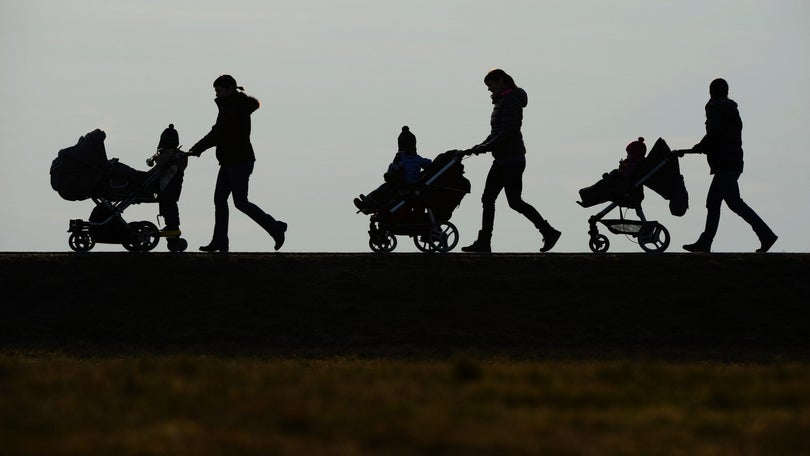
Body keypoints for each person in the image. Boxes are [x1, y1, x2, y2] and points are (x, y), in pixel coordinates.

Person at [461, 68, 560, 253]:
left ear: (501, 81)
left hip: (512, 160)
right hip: (502, 160)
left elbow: (507, 132)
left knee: (514, 201)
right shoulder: (502, 102)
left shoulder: (511, 101)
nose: (489, 90)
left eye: (490, 85)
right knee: (488, 198)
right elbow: (496, 133)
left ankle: (548, 231)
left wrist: (485, 147)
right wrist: (479, 146)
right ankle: (484, 242)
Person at [677, 78, 777, 253]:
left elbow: (715, 133)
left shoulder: (715, 108)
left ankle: (764, 235)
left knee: (725, 203)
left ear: (711, 91)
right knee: (723, 203)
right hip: (733, 161)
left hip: (725, 164)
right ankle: (707, 242)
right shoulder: (731, 109)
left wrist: (699, 147)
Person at [189, 74, 287, 252]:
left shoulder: (235, 108)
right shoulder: (230, 106)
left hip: (239, 161)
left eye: (219, 90)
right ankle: (220, 241)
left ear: (229, 89)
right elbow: (218, 132)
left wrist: (198, 148)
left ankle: (275, 227)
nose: (217, 94)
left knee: (240, 202)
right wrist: (199, 148)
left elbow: (218, 132)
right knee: (220, 200)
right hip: (228, 161)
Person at [353, 126, 432, 213]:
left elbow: (392, 169)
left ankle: (369, 203)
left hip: (405, 185)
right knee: (383, 188)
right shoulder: (416, 158)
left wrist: (390, 173)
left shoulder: (400, 158)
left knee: (384, 188)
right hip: (408, 184)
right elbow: (428, 163)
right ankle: (368, 201)